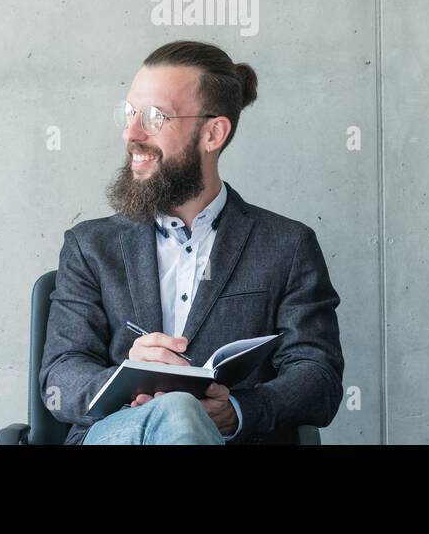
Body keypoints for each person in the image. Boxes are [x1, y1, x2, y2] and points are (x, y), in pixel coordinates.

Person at [39, 40, 344, 444]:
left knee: (181, 414)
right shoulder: (90, 246)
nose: (131, 132)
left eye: (154, 116)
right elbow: (60, 374)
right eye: (129, 113)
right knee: (176, 410)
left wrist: (235, 411)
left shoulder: (287, 246)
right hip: (117, 434)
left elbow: (317, 378)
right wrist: (124, 376)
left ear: (213, 133)